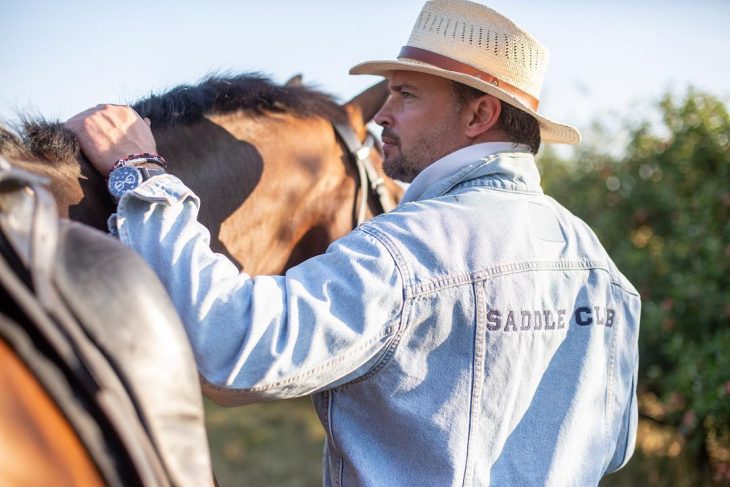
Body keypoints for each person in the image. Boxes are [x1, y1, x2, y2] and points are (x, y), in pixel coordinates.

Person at [66, 1, 641, 485]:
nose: (383, 115)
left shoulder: (412, 248)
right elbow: (613, 446)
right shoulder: (600, 267)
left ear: (480, 114)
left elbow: (232, 344)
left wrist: (140, 175)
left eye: (407, 94)